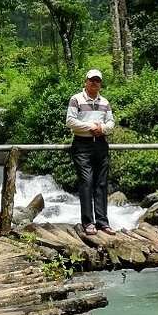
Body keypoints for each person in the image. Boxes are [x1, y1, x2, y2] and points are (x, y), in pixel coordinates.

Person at [65, 69, 116, 236]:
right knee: (86, 182)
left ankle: (102, 222)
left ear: (100, 83)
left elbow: (111, 122)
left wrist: (102, 129)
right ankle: (88, 222)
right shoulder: (76, 99)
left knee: (101, 184)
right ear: (86, 82)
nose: (94, 83)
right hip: (82, 145)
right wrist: (91, 127)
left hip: (101, 144)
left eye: (97, 80)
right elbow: (70, 121)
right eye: (91, 80)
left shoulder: (105, 102)